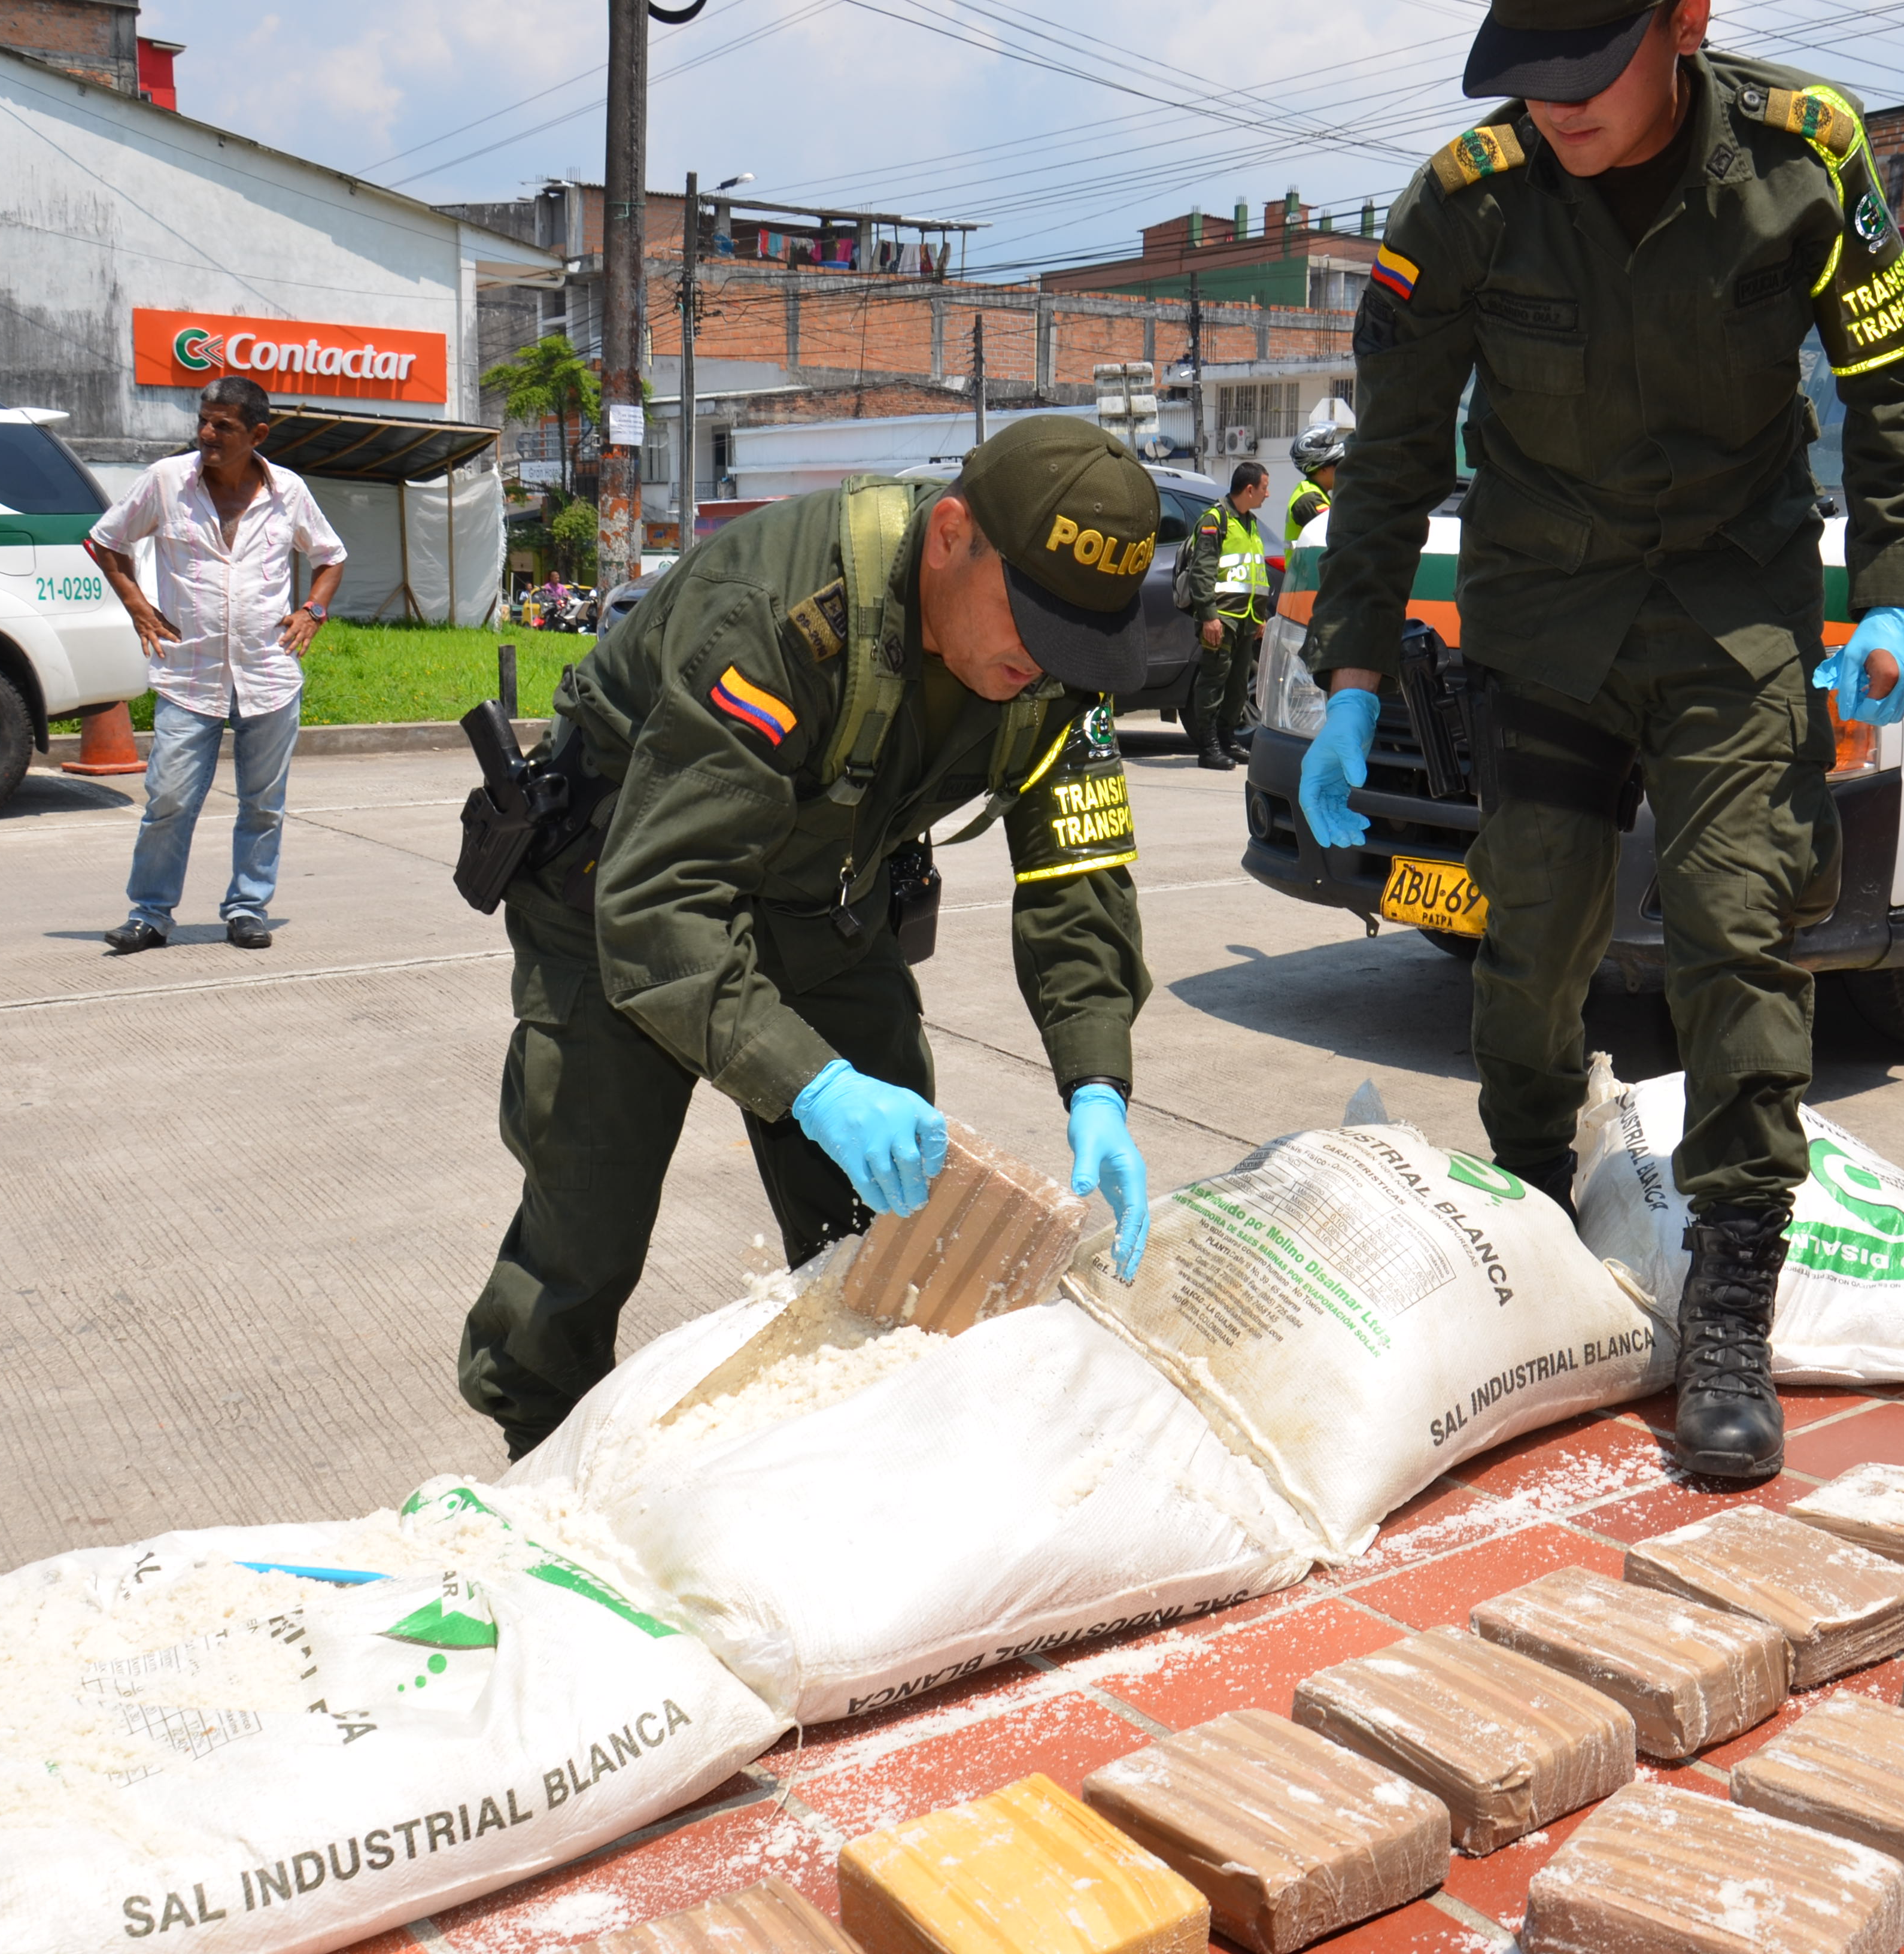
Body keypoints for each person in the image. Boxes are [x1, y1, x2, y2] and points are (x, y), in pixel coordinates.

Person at [1298, 0, 1904, 1480]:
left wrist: (1900, 594)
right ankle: (1527, 1221)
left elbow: (1893, 384)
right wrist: (1349, 676)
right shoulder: (1464, 203)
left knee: (1738, 928)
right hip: (1548, 628)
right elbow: (1393, 451)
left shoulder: (1808, 155)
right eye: (1528, 81)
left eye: (1587, 73)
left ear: (1688, 21)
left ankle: (1729, 1298)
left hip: (1737, 612)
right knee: (1529, 948)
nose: (1557, 112)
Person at [457, 415, 1161, 1460]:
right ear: (950, 535)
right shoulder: (776, 614)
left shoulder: (1057, 662)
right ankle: (538, 1450)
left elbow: (1077, 870)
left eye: (1079, 639)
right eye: (1033, 623)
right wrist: (813, 1086)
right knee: (586, 1218)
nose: (1047, 662)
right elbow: (663, 907)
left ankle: (851, 1444)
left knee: (894, 1225)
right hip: (625, 878)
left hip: (827, 891)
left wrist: (1095, 1079)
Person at [84, 376, 347, 954]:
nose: (206, 433)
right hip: (190, 675)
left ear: (256, 434)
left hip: (268, 674)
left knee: (263, 805)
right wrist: (136, 605)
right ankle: (150, 915)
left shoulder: (290, 492)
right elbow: (105, 540)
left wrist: (313, 610)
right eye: (204, 420)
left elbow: (331, 557)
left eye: (223, 425)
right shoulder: (165, 482)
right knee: (169, 799)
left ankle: (248, 907)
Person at [1182, 461, 1272, 771]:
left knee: (1237, 686)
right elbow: (1202, 572)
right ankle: (1209, 748)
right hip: (1221, 618)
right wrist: (1208, 616)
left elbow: (1254, 573)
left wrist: (1259, 617)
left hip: (1246, 620)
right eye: (1264, 488)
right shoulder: (1215, 520)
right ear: (1249, 489)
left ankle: (1228, 739)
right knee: (1213, 681)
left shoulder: (1251, 523)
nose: (1268, 494)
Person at [1287, 423, 1348, 547]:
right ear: (1322, 469)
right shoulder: (1309, 499)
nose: (1342, 469)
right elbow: (1338, 536)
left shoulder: (1318, 494)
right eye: (1338, 463)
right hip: (1308, 567)